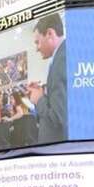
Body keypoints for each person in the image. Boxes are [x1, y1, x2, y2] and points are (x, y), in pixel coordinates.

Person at [28, 12, 67, 144]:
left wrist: (39, 99)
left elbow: (57, 117)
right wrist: (42, 93)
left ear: (50, 33)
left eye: (37, 42)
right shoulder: (59, 58)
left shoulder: (61, 60)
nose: (36, 49)